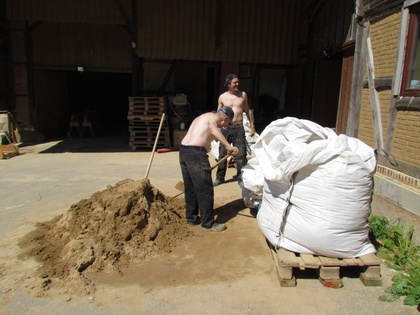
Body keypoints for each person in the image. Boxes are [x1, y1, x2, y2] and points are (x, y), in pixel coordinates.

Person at [179, 107, 239, 232]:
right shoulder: (213, 120)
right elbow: (213, 128)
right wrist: (228, 146)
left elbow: (201, 134)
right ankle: (208, 223)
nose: (224, 127)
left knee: (191, 187)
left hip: (184, 151)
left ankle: (191, 218)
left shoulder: (203, 116)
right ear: (226, 118)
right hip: (196, 154)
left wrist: (207, 146)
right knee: (205, 188)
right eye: (227, 124)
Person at [214, 74, 255, 186]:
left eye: (238, 82)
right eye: (235, 82)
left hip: (238, 128)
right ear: (228, 84)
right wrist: (216, 130)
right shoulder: (222, 97)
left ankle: (240, 177)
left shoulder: (243, 95)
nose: (237, 84)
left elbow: (247, 110)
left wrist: (252, 125)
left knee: (241, 155)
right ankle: (220, 178)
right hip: (225, 128)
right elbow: (218, 114)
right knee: (222, 154)